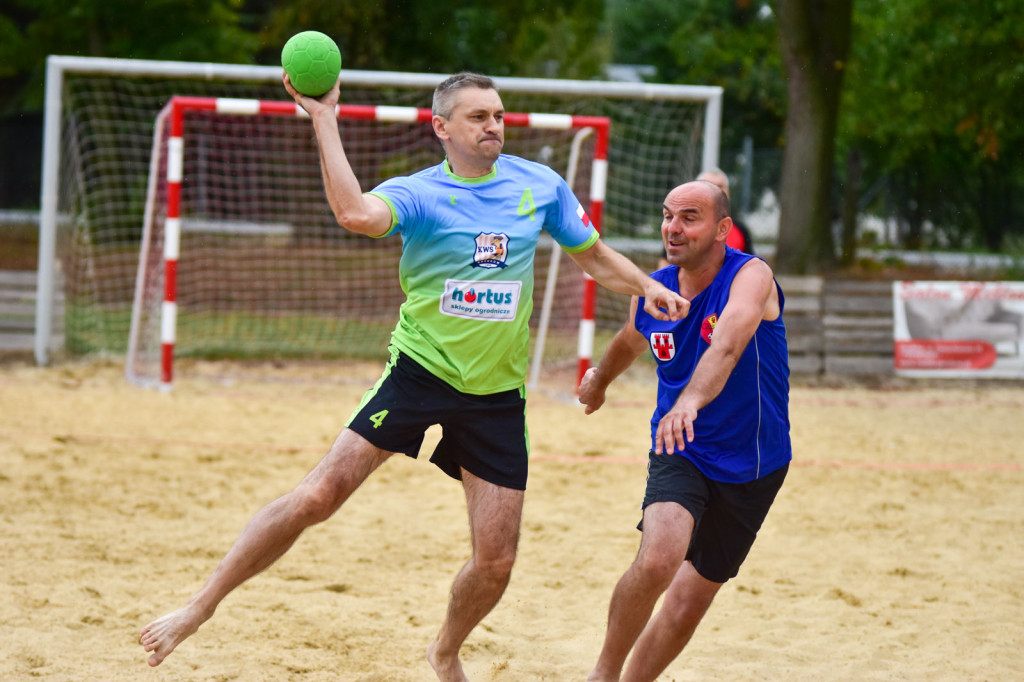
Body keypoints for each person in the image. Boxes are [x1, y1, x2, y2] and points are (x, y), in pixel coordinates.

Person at [138, 72, 688, 681]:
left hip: (497, 395)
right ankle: (198, 607)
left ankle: (445, 649)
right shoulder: (420, 194)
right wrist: (324, 118)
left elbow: (593, 257)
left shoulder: (540, 185)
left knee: (496, 562)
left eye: (498, 115)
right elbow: (354, 212)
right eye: (478, 116)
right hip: (419, 372)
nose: (493, 126)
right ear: (442, 127)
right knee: (318, 496)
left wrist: (644, 286)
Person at [580, 180, 791, 682]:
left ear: (722, 229)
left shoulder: (751, 276)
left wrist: (691, 400)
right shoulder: (654, 289)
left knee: (686, 605)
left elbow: (729, 342)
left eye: (689, 217)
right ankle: (603, 675)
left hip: (756, 463)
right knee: (658, 559)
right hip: (681, 446)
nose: (673, 227)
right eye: (667, 215)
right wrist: (601, 380)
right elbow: (631, 339)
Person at [696, 168, 755, 254]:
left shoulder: (739, 230)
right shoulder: (682, 226)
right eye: (709, 185)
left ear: (728, 192)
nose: (715, 190)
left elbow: (751, 264)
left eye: (720, 186)